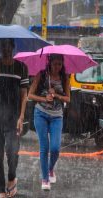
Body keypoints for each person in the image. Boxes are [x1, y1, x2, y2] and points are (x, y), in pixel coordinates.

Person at [0, 38, 29, 198]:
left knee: (12, 152)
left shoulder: (21, 67)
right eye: (2, 45)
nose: (5, 48)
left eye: (8, 45)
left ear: (13, 46)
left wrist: (21, 116)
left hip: (13, 118)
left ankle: (12, 177)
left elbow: (24, 94)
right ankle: (1, 190)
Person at [28, 54, 70, 190]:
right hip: (40, 113)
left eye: (59, 64)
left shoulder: (65, 77)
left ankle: (50, 169)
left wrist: (56, 95)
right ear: (49, 63)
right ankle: (45, 179)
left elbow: (68, 99)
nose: (57, 67)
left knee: (55, 149)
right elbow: (30, 95)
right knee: (44, 148)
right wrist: (45, 99)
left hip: (57, 116)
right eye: (54, 64)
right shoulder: (41, 75)